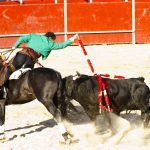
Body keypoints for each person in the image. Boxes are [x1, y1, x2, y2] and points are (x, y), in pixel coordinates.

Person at [0, 32, 78, 87]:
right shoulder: (51, 43)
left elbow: (22, 38)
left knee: (9, 69)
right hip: (31, 60)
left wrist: (14, 46)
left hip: (22, 55)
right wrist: (73, 38)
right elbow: (62, 45)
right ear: (50, 38)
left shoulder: (34, 36)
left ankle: (1, 87)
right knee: (26, 78)